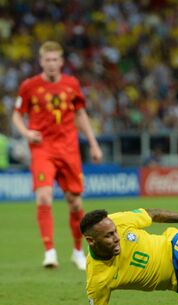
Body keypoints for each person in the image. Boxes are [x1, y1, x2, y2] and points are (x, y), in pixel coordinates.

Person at [12, 41, 103, 270]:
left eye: (55, 60)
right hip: (43, 148)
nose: (51, 64)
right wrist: (25, 132)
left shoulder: (71, 84)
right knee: (44, 197)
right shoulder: (29, 86)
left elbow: (81, 114)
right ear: (41, 62)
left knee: (75, 203)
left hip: (69, 149)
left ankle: (77, 252)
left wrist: (93, 144)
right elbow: (16, 115)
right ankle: (50, 252)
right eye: (47, 60)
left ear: (61, 62)